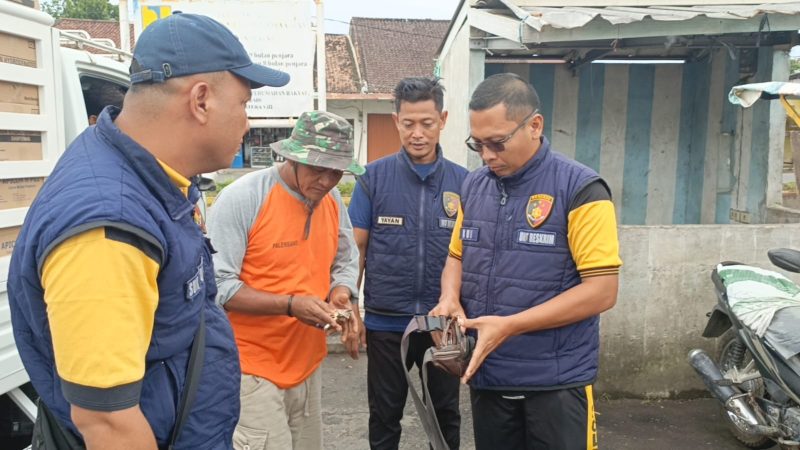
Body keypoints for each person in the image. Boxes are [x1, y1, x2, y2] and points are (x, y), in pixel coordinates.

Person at [7, 13, 289, 450]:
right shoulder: (110, 226)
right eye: (243, 104)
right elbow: (108, 423)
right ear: (201, 100)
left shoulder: (153, 179)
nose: (247, 122)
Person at [431, 73, 622, 450]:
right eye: (477, 144)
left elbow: (602, 291)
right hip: (488, 377)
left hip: (555, 383)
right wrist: (449, 298)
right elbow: (456, 256)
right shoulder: (474, 186)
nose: (487, 155)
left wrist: (510, 326)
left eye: (497, 143)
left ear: (534, 126)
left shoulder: (582, 189)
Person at [208, 110, 362, 450]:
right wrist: (291, 305)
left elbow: (346, 257)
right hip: (252, 370)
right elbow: (218, 287)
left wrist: (342, 292)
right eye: (317, 168)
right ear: (292, 158)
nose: (326, 181)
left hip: (307, 364)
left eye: (336, 172)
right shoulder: (244, 198)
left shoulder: (331, 200)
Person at [348, 77, 468, 449]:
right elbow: (356, 249)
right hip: (386, 322)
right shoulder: (372, 178)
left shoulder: (465, 183)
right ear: (396, 121)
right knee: (385, 415)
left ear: (442, 120)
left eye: (427, 123)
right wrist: (352, 307)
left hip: (442, 323)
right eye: (408, 123)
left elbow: (472, 255)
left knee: (445, 414)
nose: (417, 133)